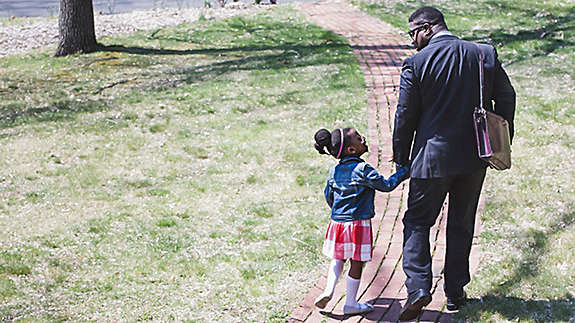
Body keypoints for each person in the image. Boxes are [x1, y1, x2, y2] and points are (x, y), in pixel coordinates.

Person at [392, 6, 516, 320]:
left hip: (430, 161)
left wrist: (401, 158)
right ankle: (455, 294)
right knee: (461, 224)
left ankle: (419, 287)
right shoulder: (483, 54)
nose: (413, 43)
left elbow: (405, 117)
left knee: (418, 223)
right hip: (475, 156)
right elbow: (507, 96)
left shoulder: (416, 64)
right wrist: (501, 137)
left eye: (413, 35)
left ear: (427, 28)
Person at [313, 127, 410, 315]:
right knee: (356, 263)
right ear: (351, 150)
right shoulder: (362, 169)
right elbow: (386, 185)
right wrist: (405, 171)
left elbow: (329, 196)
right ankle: (350, 303)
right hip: (358, 224)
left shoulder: (334, 171)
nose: (363, 138)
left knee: (338, 257)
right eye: (358, 138)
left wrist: (339, 212)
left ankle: (328, 290)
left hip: (337, 223)